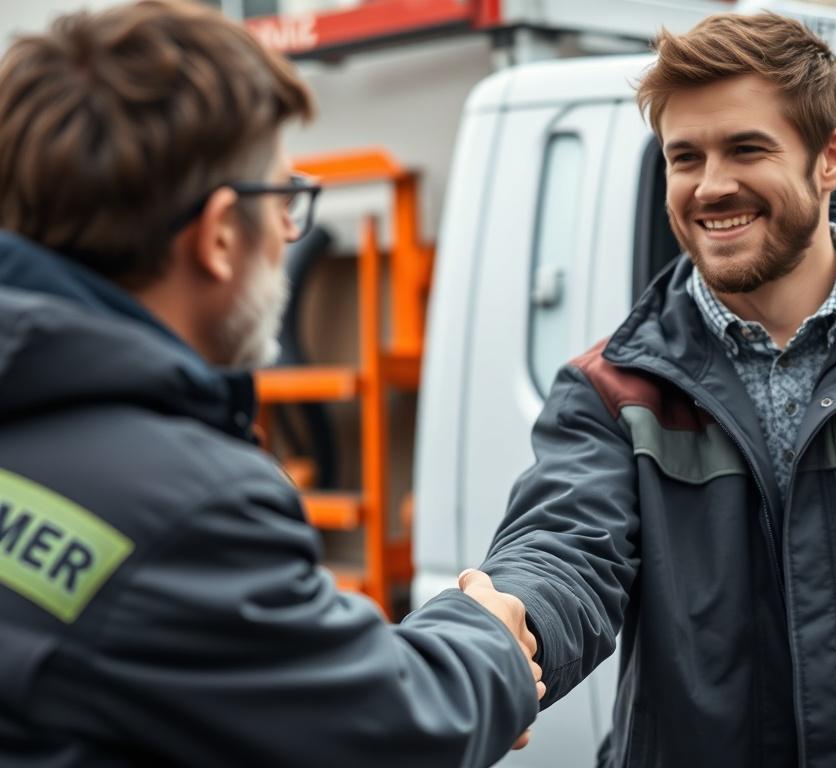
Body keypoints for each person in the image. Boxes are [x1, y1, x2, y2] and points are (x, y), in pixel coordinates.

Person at [461, 12, 836, 767]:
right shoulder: (613, 392)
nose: (711, 186)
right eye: (684, 156)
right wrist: (490, 638)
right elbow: (562, 555)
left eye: (746, 149)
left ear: (832, 159)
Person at [0, 1, 542, 765]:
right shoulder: (191, 506)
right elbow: (398, 730)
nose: (292, 229)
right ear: (221, 234)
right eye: (280, 197)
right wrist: (485, 639)